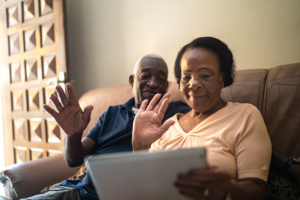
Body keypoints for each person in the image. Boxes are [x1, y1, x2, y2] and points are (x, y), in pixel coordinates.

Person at [22, 54, 191, 200]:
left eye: (161, 79)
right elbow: (74, 160)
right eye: (145, 76)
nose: (153, 83)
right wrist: (73, 134)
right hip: (83, 193)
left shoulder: (178, 112)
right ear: (132, 81)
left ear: (167, 86)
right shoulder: (111, 113)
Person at [132, 37, 272, 200]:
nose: (194, 84)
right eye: (186, 77)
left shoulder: (245, 115)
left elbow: (256, 190)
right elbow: (144, 187)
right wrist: (139, 147)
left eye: (205, 75)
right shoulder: (167, 126)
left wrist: (226, 189)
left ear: (222, 78)